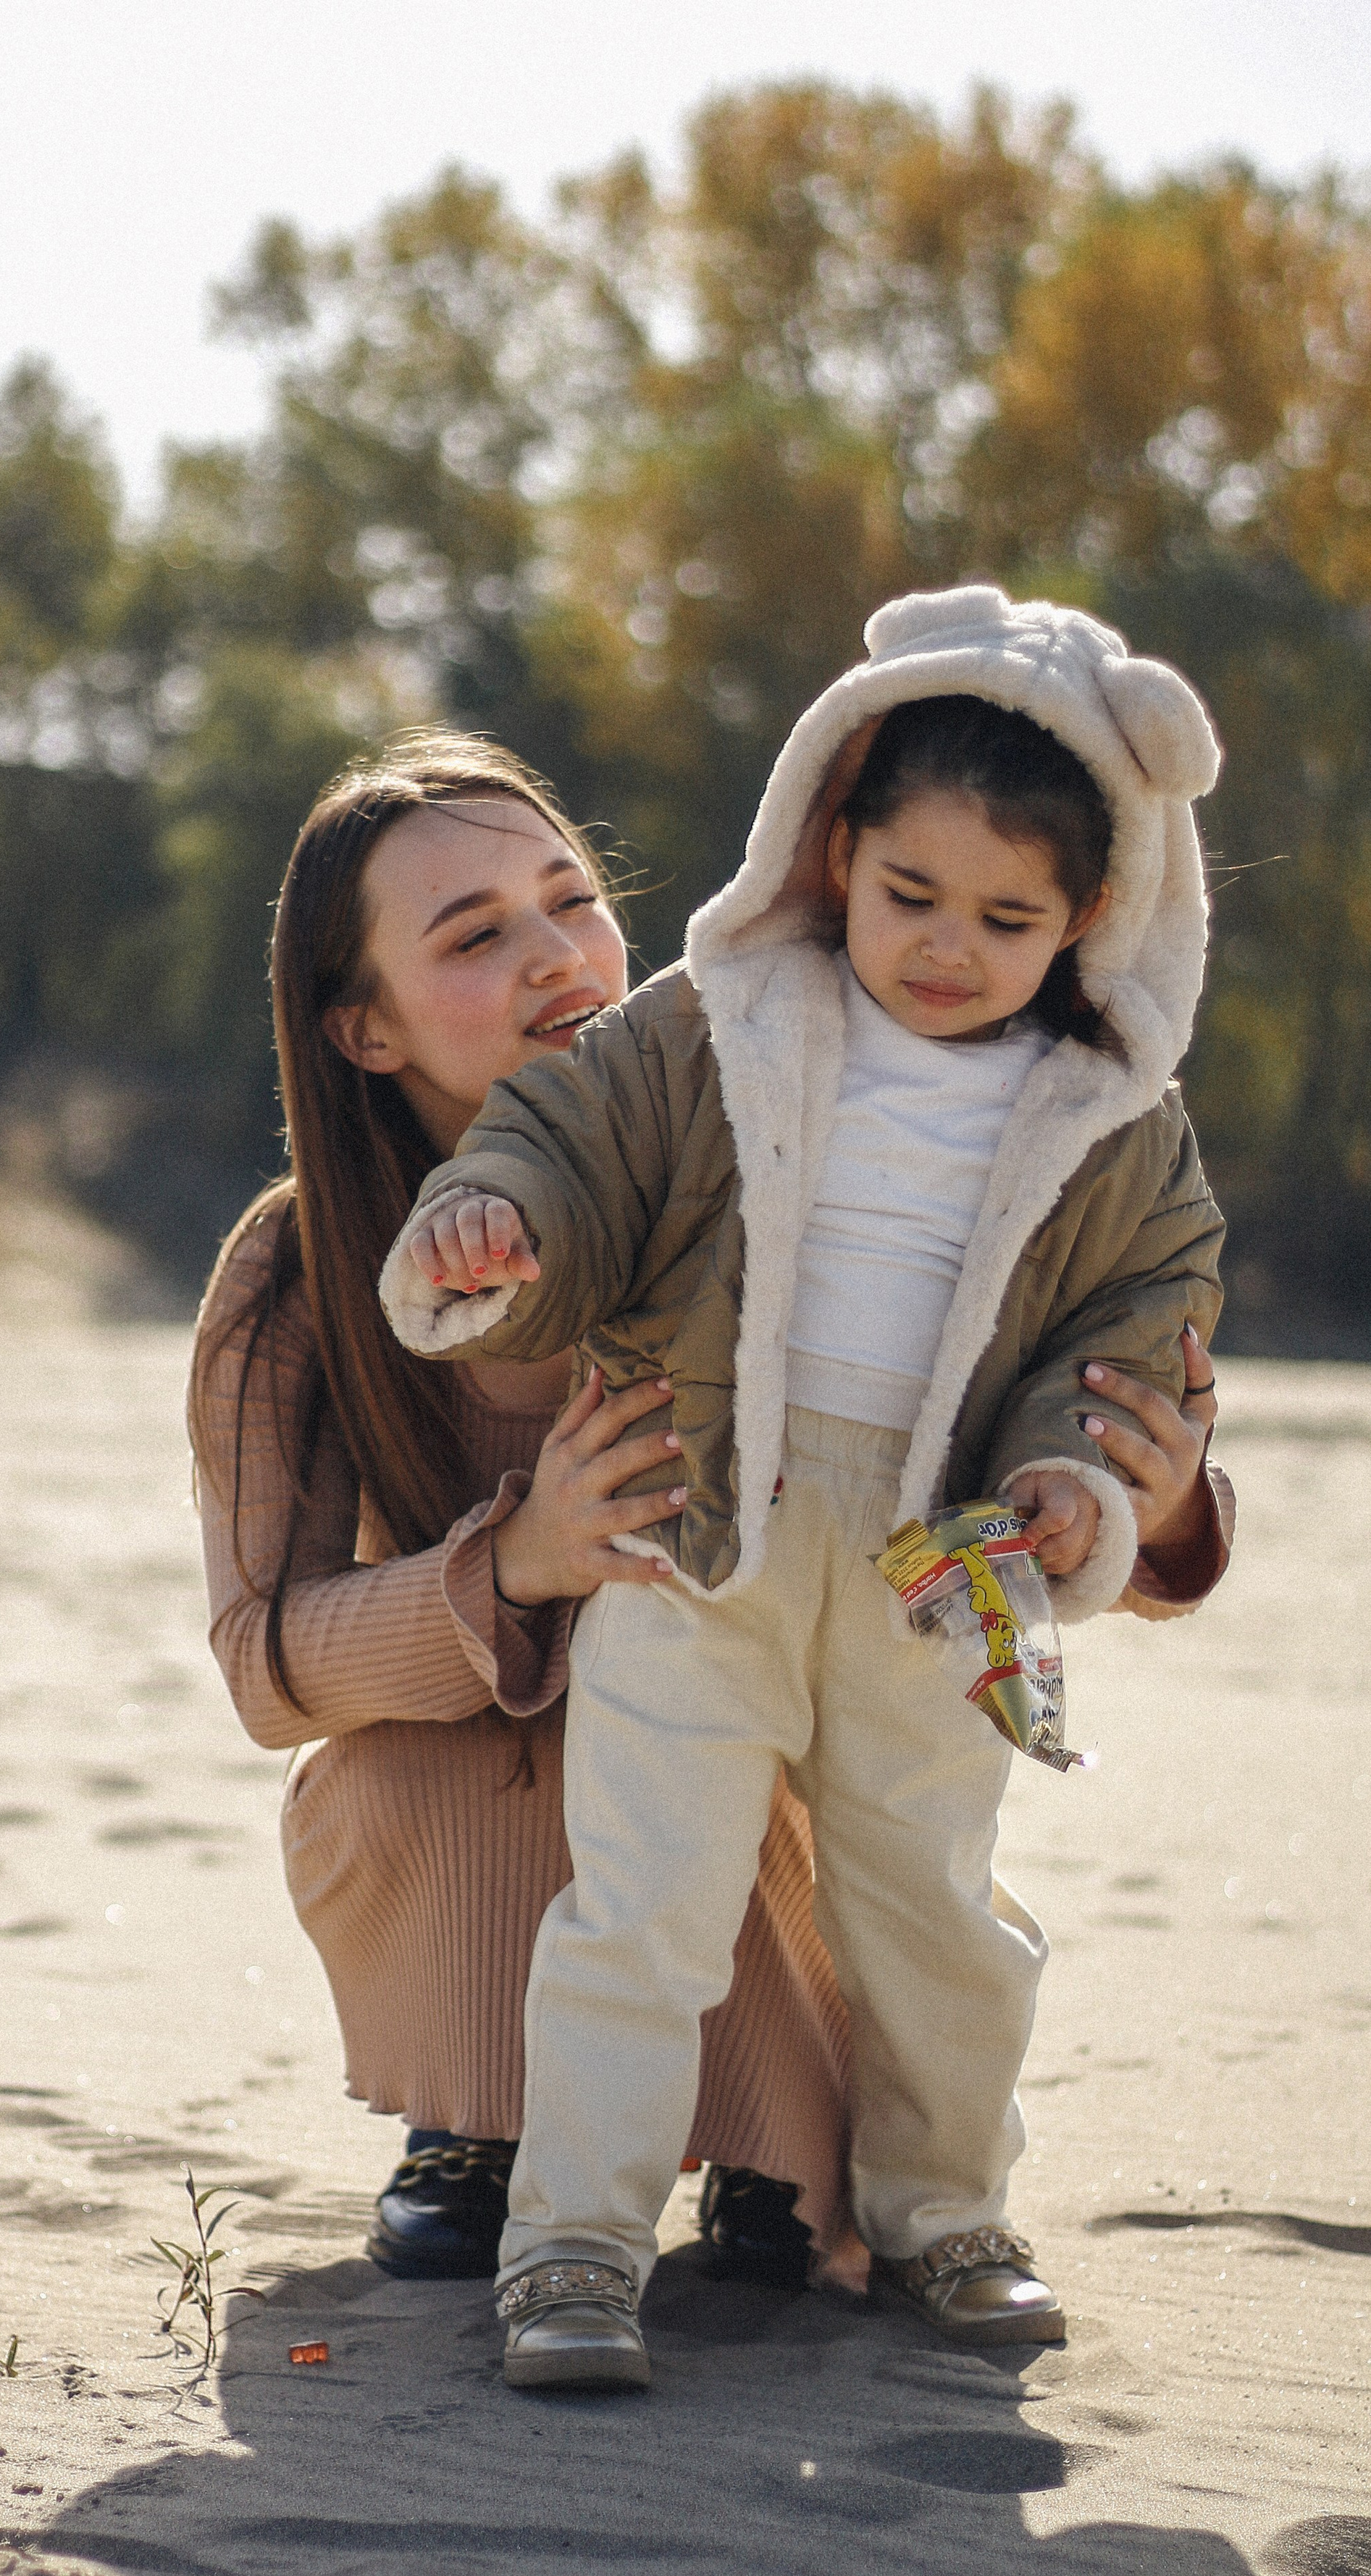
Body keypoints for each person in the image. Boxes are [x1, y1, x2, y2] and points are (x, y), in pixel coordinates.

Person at [193, 708, 1232, 2301]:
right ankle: (485, 2120)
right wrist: (515, 1562)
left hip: (786, 1713)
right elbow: (264, 1673)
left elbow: (997, 1396)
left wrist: (1146, 1504)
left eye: (571, 900)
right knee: (468, 1787)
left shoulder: (792, 1111)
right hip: (494, 1763)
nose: (558, 958)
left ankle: (793, 2141)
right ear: (365, 1028)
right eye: (475, 936)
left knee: (844, 1825)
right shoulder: (300, 1270)